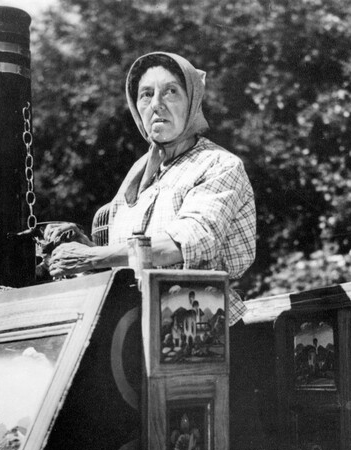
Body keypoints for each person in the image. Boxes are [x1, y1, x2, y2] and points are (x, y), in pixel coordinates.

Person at [47, 51, 256, 325]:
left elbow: (181, 245)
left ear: (192, 101)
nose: (156, 104)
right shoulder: (140, 175)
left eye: (171, 91)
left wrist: (90, 257)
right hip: (135, 321)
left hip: (203, 326)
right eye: (146, 94)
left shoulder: (218, 164)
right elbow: (125, 260)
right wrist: (79, 245)